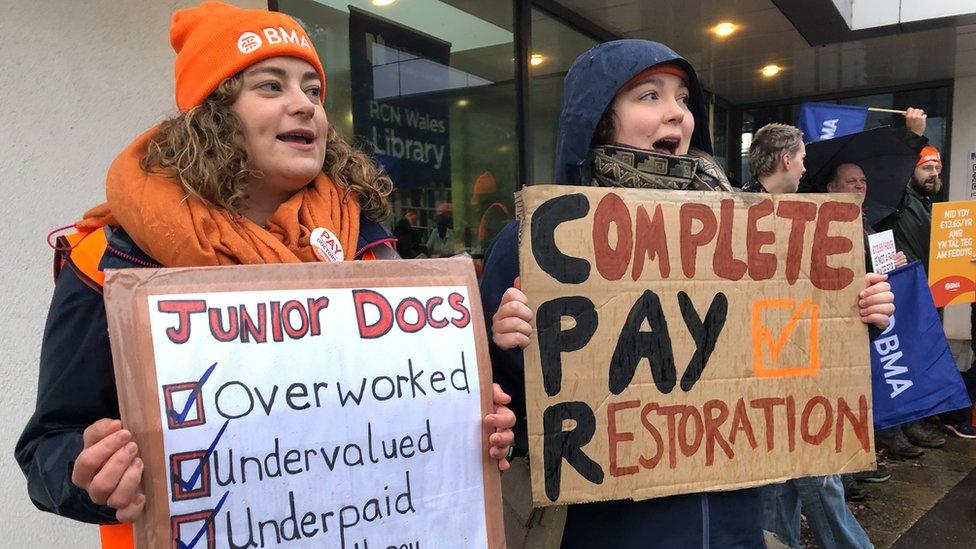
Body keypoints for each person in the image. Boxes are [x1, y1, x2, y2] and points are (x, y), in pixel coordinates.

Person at [14, 3, 516, 548]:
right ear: (215, 116)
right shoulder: (110, 263)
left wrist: (472, 430)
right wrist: (89, 477)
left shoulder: (370, 248)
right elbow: (49, 446)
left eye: (314, 91)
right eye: (271, 86)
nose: (304, 105)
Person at [482, 40, 895, 548]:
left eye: (682, 98)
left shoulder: (749, 228)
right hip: (608, 530)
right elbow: (502, 409)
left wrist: (856, 321)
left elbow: (785, 358)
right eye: (649, 96)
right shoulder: (536, 239)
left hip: (731, 524)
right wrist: (506, 348)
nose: (676, 114)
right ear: (598, 117)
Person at [747, 124, 875, 549]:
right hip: (756, 372)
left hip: (803, 364)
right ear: (786, 160)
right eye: (801, 159)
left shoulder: (813, 218)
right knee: (783, 484)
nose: (805, 168)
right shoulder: (730, 211)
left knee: (816, 477)